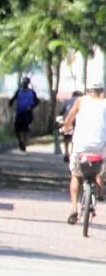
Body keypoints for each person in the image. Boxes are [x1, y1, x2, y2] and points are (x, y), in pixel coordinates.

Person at [63, 80, 106, 221]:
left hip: (80, 147)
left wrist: (65, 129)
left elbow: (68, 120)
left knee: (75, 175)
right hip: (100, 147)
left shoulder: (80, 102)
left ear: (87, 91)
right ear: (102, 92)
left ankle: (74, 208)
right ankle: (98, 193)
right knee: (100, 171)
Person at [9, 76, 39, 151]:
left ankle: (24, 143)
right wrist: (10, 105)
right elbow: (12, 99)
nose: (24, 84)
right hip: (19, 112)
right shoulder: (19, 91)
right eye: (23, 83)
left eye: (25, 83)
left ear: (28, 84)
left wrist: (31, 107)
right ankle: (20, 141)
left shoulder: (32, 92)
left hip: (27, 113)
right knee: (17, 129)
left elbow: (37, 102)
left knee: (25, 129)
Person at [59, 90, 83, 163]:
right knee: (75, 138)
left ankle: (67, 152)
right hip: (78, 122)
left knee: (67, 138)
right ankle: (73, 152)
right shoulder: (81, 101)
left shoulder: (67, 101)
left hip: (68, 121)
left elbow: (61, 110)